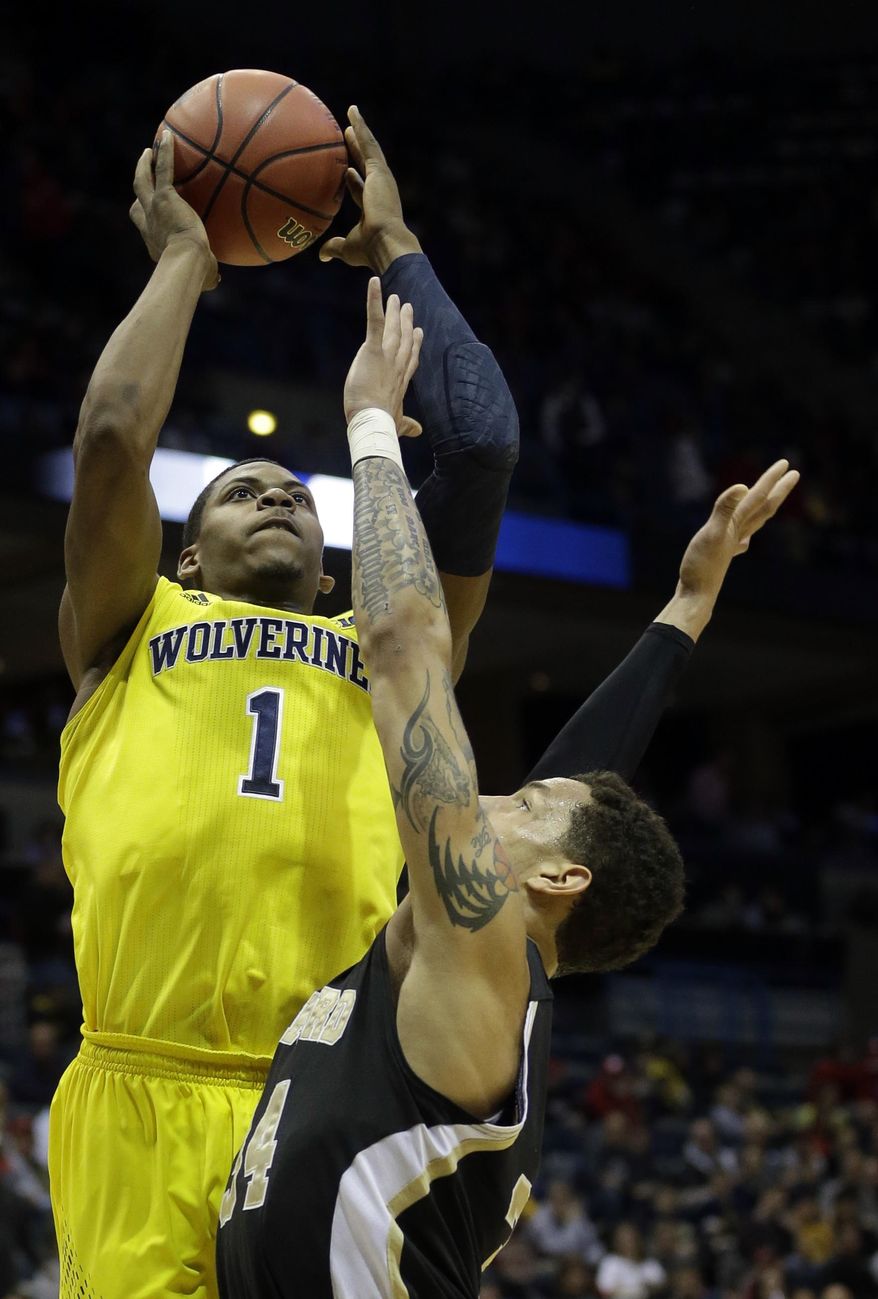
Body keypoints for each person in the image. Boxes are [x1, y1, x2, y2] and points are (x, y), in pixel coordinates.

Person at [215, 278, 799, 1296]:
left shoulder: (477, 946)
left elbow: (400, 648)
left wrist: (366, 427)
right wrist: (683, 612)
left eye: (527, 807)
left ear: (560, 881)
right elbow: (587, 776)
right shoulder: (473, 959)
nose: (500, 794)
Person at [50, 112, 525, 1299]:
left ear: (330, 567)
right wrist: (182, 262)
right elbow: (112, 434)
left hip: (327, 1091)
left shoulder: (390, 645)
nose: (274, 495)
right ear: (188, 560)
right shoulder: (128, 626)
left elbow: (480, 450)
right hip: (139, 1086)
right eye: (237, 493)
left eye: (295, 498)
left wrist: (401, 245)